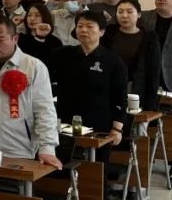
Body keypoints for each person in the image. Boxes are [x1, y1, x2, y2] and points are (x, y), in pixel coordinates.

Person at [51, 11, 127, 186]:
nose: (83, 30)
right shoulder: (63, 55)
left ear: (101, 32)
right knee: (61, 169)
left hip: (99, 125)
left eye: (89, 26)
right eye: (80, 26)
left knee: (97, 173)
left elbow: (119, 97)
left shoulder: (113, 62)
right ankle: (65, 198)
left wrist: (117, 129)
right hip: (66, 123)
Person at [0, 16, 61, 167]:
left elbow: (44, 110)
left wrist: (47, 148)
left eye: (1, 39)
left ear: (15, 38)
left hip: (19, 148)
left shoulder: (33, 66)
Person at [102, 0, 161, 114]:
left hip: (136, 90)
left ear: (139, 14)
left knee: (133, 122)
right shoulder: (108, 33)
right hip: (110, 88)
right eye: (120, 12)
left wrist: (151, 102)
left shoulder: (149, 37)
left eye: (129, 12)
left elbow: (154, 70)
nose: (124, 16)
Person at [18, 3, 63, 67]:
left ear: (45, 17)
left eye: (37, 15)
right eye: (29, 15)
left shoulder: (55, 42)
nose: (32, 18)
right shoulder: (21, 39)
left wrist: (40, 38)